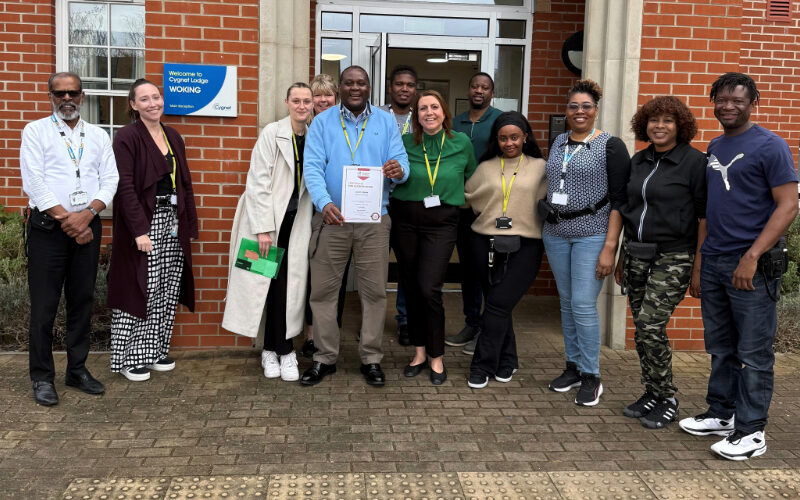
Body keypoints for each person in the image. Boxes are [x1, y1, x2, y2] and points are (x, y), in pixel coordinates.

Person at [678, 73, 798, 461]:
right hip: (714, 260)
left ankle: (752, 432)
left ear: (753, 103)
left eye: (737, 100)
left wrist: (752, 256)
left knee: (754, 352)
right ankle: (722, 413)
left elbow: (788, 204)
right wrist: (700, 262)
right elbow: (709, 212)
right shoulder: (715, 145)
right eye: (722, 99)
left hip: (751, 264)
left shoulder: (770, 146)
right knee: (721, 346)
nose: (728, 106)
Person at [302, 65, 409, 387]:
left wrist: (398, 170)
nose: (355, 88)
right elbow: (312, 168)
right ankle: (324, 357)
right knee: (323, 293)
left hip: (373, 221)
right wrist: (325, 203)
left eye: (360, 83)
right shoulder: (322, 122)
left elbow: (402, 162)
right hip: (332, 219)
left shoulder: (386, 121)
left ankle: (372, 358)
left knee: (375, 292)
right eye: (348, 83)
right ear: (341, 89)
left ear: (369, 86)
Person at [20, 72, 119, 405]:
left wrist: (87, 215)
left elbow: (110, 180)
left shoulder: (98, 136)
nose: (66, 99)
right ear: (50, 95)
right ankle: (42, 377)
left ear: (83, 95)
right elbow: (34, 181)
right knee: (45, 307)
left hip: (88, 226)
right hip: (50, 230)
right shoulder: (35, 131)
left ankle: (77, 370)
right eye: (59, 93)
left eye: (72, 93)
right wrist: (70, 220)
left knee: (81, 303)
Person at [615, 96, 707, 428]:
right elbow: (629, 211)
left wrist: (698, 266)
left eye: (668, 120)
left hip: (674, 256)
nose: (660, 126)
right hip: (637, 252)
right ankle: (652, 392)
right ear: (645, 125)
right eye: (654, 120)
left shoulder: (695, 163)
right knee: (641, 329)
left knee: (651, 325)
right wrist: (621, 256)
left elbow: (703, 217)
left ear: (680, 126)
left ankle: (667, 396)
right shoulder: (638, 161)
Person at [542, 79, 631, 407]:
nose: (579, 112)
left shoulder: (610, 145)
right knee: (566, 303)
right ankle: (573, 367)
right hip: (555, 233)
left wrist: (611, 246)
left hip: (592, 232)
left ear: (595, 110)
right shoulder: (559, 141)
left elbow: (621, 200)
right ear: (566, 111)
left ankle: (592, 375)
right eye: (573, 107)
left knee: (582, 304)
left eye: (586, 107)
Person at [107, 79, 199, 382]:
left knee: (167, 284)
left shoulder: (173, 135)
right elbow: (126, 188)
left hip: (172, 220)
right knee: (141, 284)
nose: (152, 103)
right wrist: (139, 232)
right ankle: (130, 357)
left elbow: (183, 183)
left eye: (156, 97)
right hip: (144, 221)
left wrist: (188, 225)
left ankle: (156, 349)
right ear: (133, 105)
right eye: (144, 99)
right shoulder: (127, 137)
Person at [222, 83, 314, 382]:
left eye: (307, 101)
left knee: (287, 287)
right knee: (268, 286)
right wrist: (262, 229)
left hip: (296, 224)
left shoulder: (313, 136)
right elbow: (257, 182)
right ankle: (274, 350)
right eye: (296, 100)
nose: (302, 106)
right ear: (286, 101)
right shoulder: (271, 134)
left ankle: (281, 350)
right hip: (265, 225)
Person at [390, 90, 476, 385]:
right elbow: (393, 176)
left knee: (429, 288)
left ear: (444, 112)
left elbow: (473, 178)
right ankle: (418, 352)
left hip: (442, 222)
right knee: (412, 287)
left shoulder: (461, 143)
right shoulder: (404, 143)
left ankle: (437, 357)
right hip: (405, 220)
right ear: (416, 115)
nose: (429, 112)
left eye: (434, 107)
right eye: (423, 108)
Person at [464, 112, 546, 389]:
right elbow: (467, 198)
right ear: (496, 140)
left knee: (497, 305)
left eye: (514, 137)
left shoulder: (541, 167)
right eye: (503, 138)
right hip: (484, 244)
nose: (509, 143)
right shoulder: (485, 167)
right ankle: (507, 361)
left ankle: (481, 365)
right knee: (500, 307)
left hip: (525, 246)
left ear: (525, 137)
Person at [447, 72, 504, 355]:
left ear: (492, 93)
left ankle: (489, 328)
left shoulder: (499, 120)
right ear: (468, 90)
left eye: (485, 87)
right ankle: (472, 322)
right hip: (461, 205)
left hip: (489, 206)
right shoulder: (454, 122)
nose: (479, 91)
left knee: (488, 270)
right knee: (468, 269)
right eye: (474, 86)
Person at [379, 64, 417, 347]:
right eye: (399, 84)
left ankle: (405, 321)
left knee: (407, 266)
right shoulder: (376, 116)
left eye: (409, 85)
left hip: (406, 204)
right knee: (375, 267)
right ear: (390, 86)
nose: (404, 89)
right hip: (376, 202)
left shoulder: (423, 120)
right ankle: (373, 322)